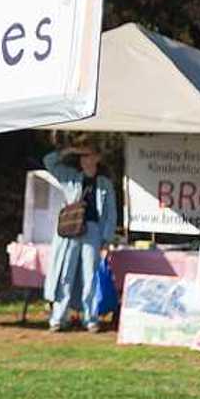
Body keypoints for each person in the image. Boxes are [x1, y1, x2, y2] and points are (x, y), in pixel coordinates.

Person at [41, 139, 117, 332]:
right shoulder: (70, 177)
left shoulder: (105, 184)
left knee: (90, 276)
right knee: (65, 274)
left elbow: (110, 214)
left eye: (88, 155)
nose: (84, 160)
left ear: (97, 158)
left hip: (93, 231)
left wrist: (107, 240)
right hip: (71, 229)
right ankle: (58, 318)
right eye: (81, 157)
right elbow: (49, 161)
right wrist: (70, 150)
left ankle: (90, 319)